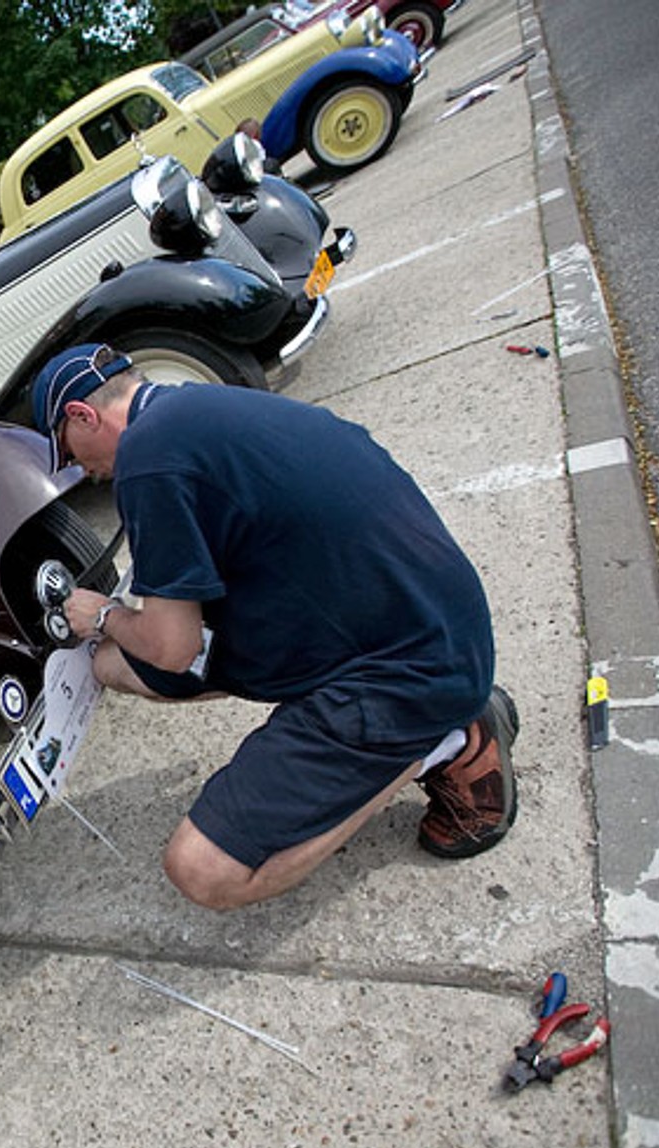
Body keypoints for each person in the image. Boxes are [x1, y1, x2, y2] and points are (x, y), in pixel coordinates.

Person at [31, 343, 518, 911]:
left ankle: (442, 742)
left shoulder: (147, 460)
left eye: (68, 451)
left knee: (203, 872)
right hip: (423, 621)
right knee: (111, 663)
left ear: (82, 416)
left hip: (405, 672)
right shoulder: (195, 410)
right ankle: (424, 722)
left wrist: (104, 615)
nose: (79, 470)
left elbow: (171, 647)